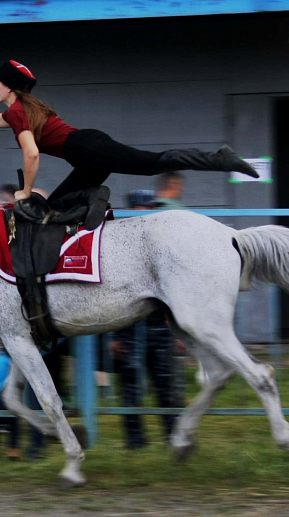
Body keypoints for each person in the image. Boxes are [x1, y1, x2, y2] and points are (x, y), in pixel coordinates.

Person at [0, 59, 259, 203]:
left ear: (10, 88)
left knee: (152, 164)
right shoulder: (21, 111)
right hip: (87, 153)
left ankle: (220, 159)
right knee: (55, 208)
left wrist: (26, 191)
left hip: (89, 149)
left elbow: (30, 153)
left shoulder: (17, 113)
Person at [107, 189, 184, 449]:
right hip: (128, 325)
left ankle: (173, 437)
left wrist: (177, 330)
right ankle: (135, 442)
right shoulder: (117, 245)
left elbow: (173, 288)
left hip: (159, 325)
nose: (150, 213)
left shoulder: (162, 244)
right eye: (146, 208)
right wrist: (115, 335)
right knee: (130, 388)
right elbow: (109, 290)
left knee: (166, 385)